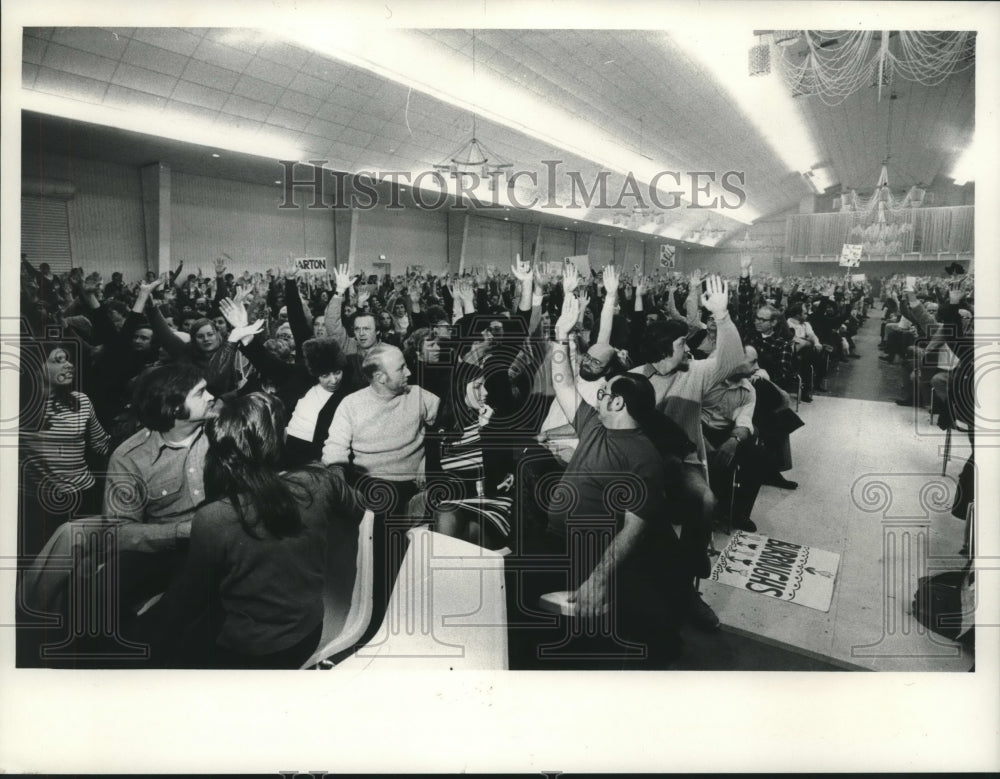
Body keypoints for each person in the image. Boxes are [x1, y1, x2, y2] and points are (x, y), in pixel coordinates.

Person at [527, 291, 689, 668]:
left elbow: (633, 530)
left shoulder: (643, 457)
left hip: (589, 551)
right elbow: (564, 383)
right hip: (557, 540)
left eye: (605, 393)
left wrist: (599, 579)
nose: (598, 394)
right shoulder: (593, 424)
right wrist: (560, 338)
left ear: (618, 404)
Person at [151, 392, 367, 668]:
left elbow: (191, 599)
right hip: (308, 633)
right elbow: (359, 509)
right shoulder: (319, 481)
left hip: (249, 652)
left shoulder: (213, 517)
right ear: (282, 437)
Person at [19, 344, 110, 557]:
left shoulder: (81, 401)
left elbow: (101, 444)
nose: (69, 365)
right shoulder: (15, 408)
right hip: (34, 503)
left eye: (68, 359)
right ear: (34, 368)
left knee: (80, 564)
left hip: (82, 497)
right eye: (58, 360)